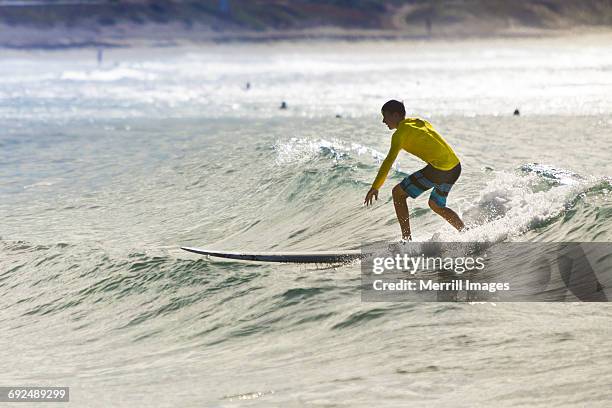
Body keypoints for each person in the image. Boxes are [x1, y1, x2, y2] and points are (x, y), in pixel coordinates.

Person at [364, 100, 464, 241]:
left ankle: (407, 240)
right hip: (455, 167)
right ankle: (466, 232)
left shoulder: (399, 135)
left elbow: (388, 162)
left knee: (397, 193)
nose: (383, 121)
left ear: (396, 115)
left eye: (385, 116)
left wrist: (375, 187)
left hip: (439, 169)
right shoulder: (419, 121)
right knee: (436, 205)